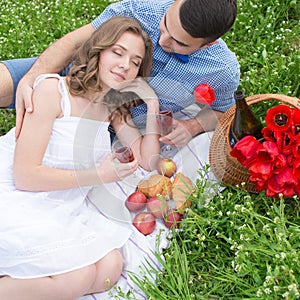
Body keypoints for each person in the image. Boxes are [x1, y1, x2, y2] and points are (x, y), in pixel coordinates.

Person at [0, 16, 161, 300]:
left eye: (136, 62)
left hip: (60, 202)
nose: (126, 65)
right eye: (118, 52)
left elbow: (147, 161)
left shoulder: (113, 108)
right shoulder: (53, 91)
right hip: (16, 192)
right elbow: (24, 176)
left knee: (111, 268)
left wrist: (152, 107)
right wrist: (99, 176)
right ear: (98, 51)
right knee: (81, 276)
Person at [0, 0, 240, 148]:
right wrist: (31, 79)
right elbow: (75, 43)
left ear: (208, 44)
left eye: (179, 42)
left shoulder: (222, 70)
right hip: (79, 79)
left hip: (121, 128)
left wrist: (192, 126)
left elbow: (225, 111)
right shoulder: (142, 8)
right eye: (165, 23)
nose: (162, 39)